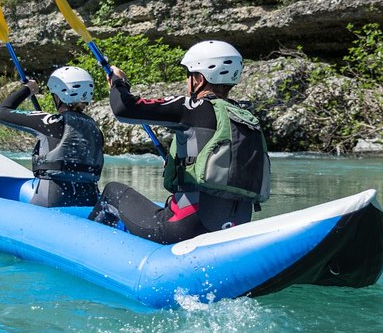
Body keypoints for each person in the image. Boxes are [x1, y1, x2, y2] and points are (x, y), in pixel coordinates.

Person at [88, 40, 270, 244]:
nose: (187, 81)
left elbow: (124, 108)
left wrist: (118, 83)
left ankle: (88, 250)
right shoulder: (248, 119)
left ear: (199, 79)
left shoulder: (191, 107)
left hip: (184, 229)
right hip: (231, 229)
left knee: (112, 191)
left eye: (188, 75)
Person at [0, 66, 104, 207]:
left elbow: (1, 112)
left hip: (51, 201)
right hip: (89, 202)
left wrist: (28, 89)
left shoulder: (48, 122)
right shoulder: (95, 129)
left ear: (57, 95)